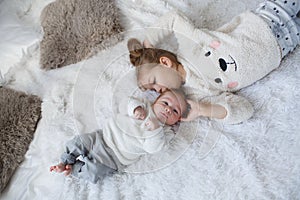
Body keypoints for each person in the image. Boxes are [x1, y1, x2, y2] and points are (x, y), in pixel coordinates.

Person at [128, 0, 300, 124]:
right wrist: (203, 109)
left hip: (266, 19)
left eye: (153, 83)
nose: (158, 91)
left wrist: (148, 44)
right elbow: (244, 109)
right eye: (153, 91)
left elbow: (173, 19)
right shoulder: (198, 94)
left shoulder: (188, 46)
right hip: (285, 43)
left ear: (165, 62)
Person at [50, 89, 189, 183]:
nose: (168, 109)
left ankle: (73, 169)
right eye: (165, 103)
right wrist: (135, 108)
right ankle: (65, 160)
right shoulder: (144, 105)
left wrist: (155, 130)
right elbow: (124, 104)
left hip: (114, 158)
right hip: (102, 136)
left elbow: (153, 148)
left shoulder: (166, 132)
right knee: (79, 141)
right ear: (155, 102)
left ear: (178, 120)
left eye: (175, 111)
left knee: (93, 171)